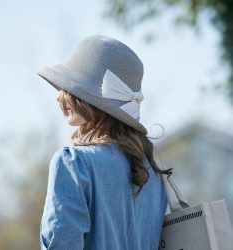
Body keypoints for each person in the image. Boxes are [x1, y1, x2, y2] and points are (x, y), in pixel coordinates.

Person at [37, 35, 172, 250]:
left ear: (90, 100)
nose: (59, 96)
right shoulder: (153, 171)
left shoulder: (74, 164)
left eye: (69, 88)